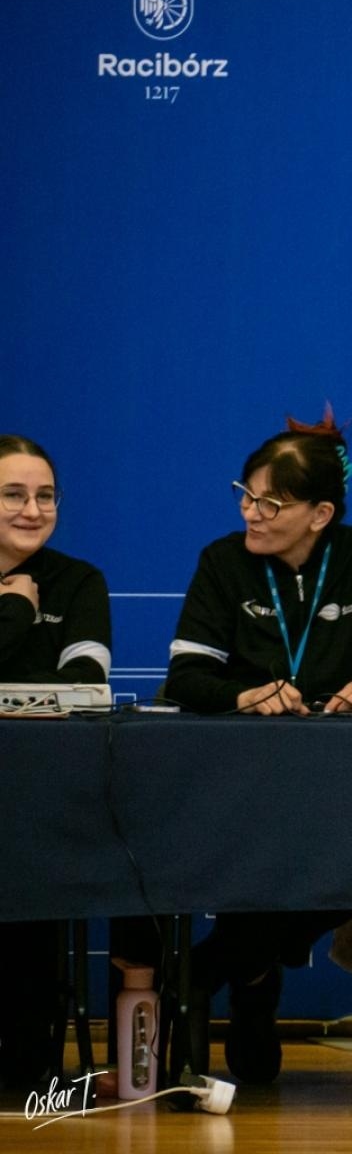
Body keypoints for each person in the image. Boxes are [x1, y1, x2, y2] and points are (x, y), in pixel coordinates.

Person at [160, 417, 352, 1083]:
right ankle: (249, 982)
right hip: (241, 784)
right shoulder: (223, 562)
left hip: (342, 786)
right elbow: (186, 678)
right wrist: (245, 695)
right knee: (257, 853)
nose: (250, 513)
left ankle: (221, 968)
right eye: (245, 496)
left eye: (270, 504)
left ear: (320, 515)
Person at [0, 435, 112, 1096]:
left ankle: (28, 1056)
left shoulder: (78, 581)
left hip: (42, 800)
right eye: (14, 495)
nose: (33, 510)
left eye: (45, 495)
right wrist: (15, 610)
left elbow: (84, 686)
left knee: (32, 871)